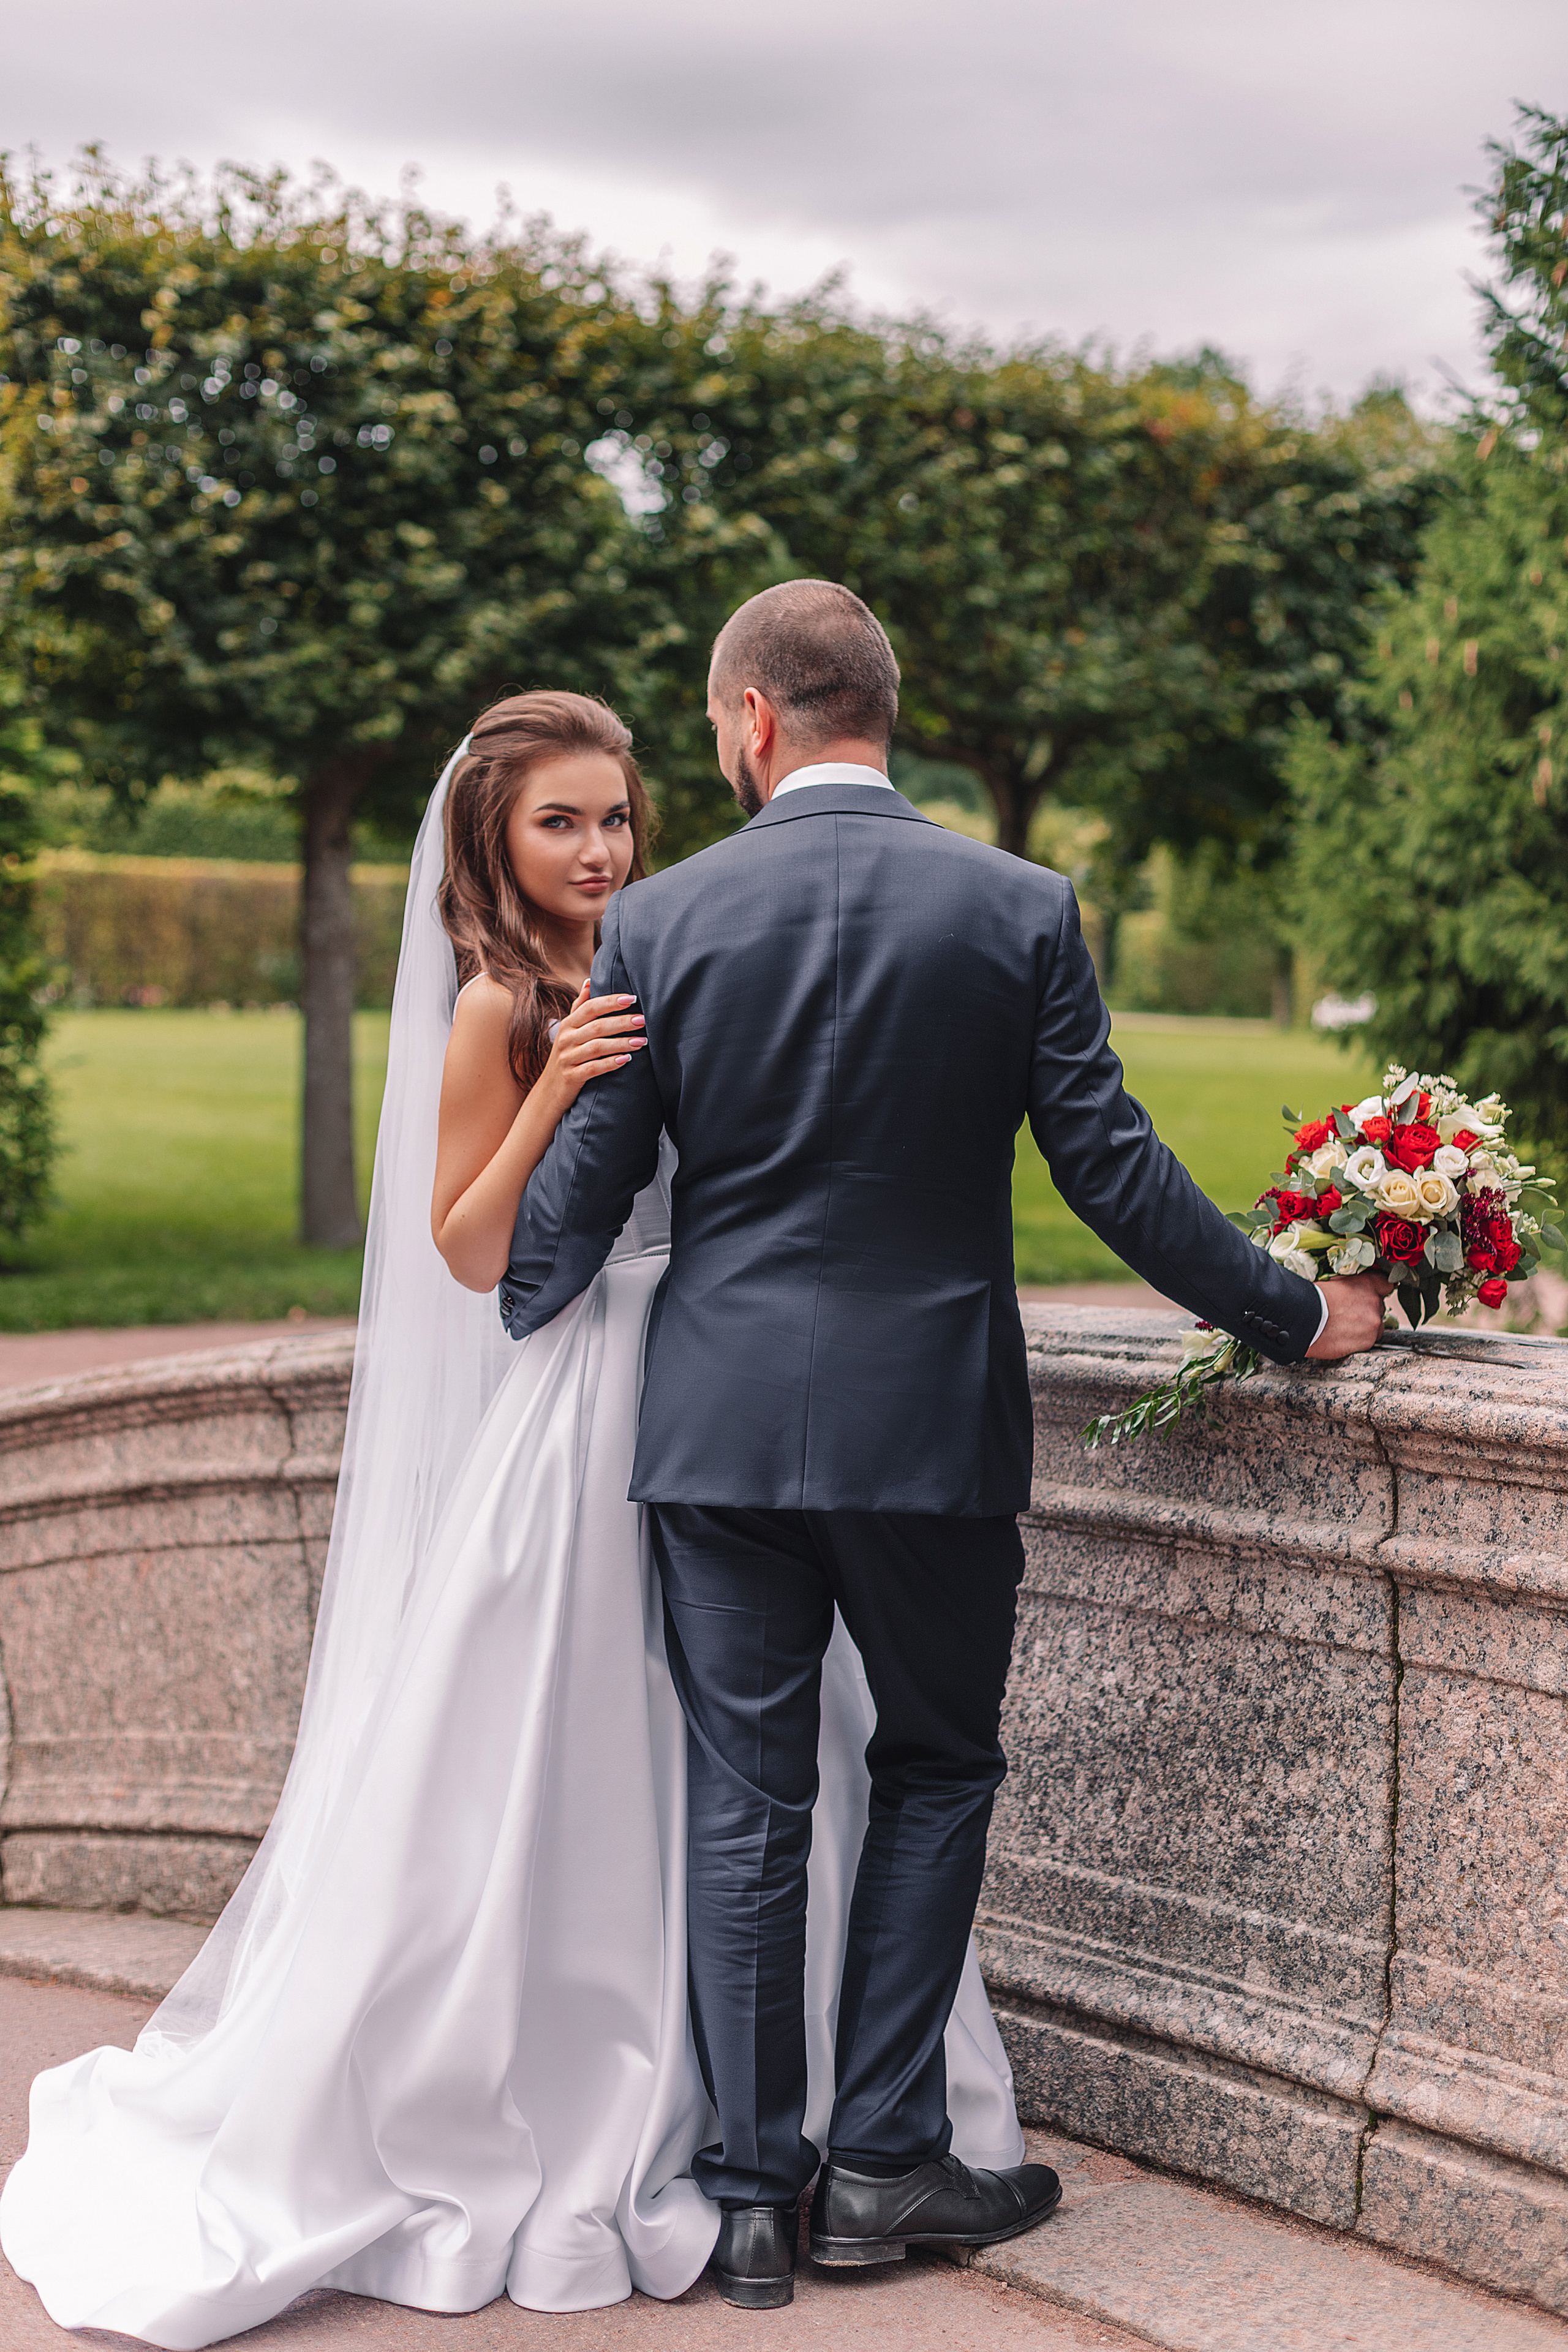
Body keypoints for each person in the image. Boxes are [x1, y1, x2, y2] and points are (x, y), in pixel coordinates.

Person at [0, 688, 1024, 2345]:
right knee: (579, 1746)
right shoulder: (498, 1000)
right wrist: (561, 1081)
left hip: (711, 1393)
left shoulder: (673, 950)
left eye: (618, 817)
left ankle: (780, 2126)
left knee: (758, 1768)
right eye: (563, 822)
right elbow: (471, 1256)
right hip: (585, 1406)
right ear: (496, 835)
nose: (602, 849)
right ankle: (581, 2089)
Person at [502, 583, 1392, 2307]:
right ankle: (886, 2170)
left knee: (749, 1807)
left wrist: (529, 1237)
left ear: (754, 720)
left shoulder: (665, 921)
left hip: (719, 1437)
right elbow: (1115, 1172)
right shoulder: (1019, 905)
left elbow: (563, 1241)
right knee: (931, 1773)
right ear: (876, 711)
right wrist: (1298, 1312)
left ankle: (754, 2195)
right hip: (930, 1433)